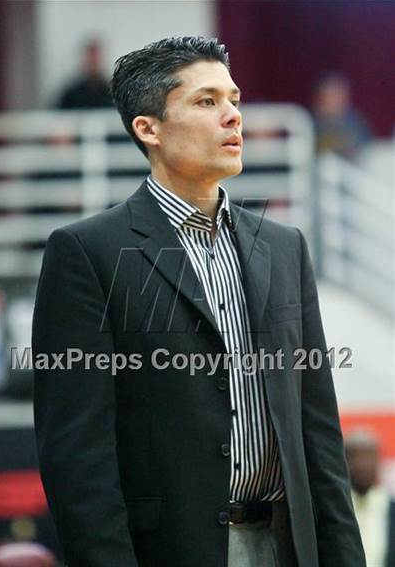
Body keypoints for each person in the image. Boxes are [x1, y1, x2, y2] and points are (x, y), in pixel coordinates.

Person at [33, 37, 365, 567]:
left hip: (288, 545)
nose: (233, 116)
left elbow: (319, 431)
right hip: (172, 549)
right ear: (149, 129)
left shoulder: (284, 247)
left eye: (234, 99)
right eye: (207, 101)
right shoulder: (87, 252)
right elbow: (78, 459)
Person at [345, 429, 395, 567]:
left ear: (379, 460)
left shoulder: (392, 509)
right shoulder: (331, 510)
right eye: (353, 456)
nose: (360, 464)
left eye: (367, 455)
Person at [312, 72, 372, 159]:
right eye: (332, 94)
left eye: (339, 94)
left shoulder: (355, 121)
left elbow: (368, 146)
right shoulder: (309, 122)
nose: (336, 99)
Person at [55, 40, 112, 109]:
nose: (92, 64)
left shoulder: (111, 94)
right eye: (90, 60)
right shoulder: (71, 95)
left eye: (95, 61)